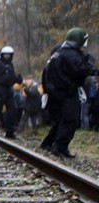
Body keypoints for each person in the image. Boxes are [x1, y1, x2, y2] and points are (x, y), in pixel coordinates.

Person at [40, 28, 94, 157]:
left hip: (57, 93)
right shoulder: (71, 55)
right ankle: (60, 147)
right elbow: (80, 71)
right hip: (66, 93)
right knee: (70, 120)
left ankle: (49, 143)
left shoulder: (58, 53)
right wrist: (89, 64)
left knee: (60, 121)